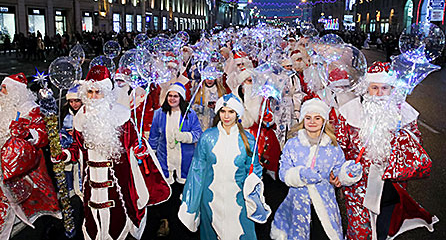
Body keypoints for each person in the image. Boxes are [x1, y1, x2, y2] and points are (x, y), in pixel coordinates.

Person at [58, 66, 170, 240]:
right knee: (93, 221)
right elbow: (77, 147)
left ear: (106, 93)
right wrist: (65, 154)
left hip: (117, 182)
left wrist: (140, 151)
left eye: (98, 92)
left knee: (118, 221)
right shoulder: (80, 116)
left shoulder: (122, 115)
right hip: (91, 182)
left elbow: (136, 145)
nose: (93, 97)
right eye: (90, 92)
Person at [336, 62, 438, 240]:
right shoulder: (350, 112)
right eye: (374, 87)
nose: (379, 93)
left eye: (385, 88)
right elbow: (338, 146)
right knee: (359, 232)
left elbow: (416, 144)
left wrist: (402, 135)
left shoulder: (403, 113)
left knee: (383, 230)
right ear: (366, 88)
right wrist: (337, 171)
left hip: (391, 185)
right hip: (358, 185)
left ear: (392, 89)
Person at [271, 98, 362, 240]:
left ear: (324, 121)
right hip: (298, 202)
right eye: (308, 117)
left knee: (323, 235)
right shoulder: (292, 144)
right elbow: (283, 172)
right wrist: (300, 175)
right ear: (302, 120)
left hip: (325, 202)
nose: (312, 121)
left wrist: (347, 174)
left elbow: (339, 170)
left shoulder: (332, 147)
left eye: (317, 118)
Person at [178, 94, 263, 240]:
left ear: (237, 114)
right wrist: (191, 201)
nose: (226, 116)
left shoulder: (248, 139)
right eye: (223, 111)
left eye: (231, 112)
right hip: (211, 198)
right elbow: (197, 171)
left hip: (238, 199)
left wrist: (251, 188)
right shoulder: (208, 137)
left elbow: (255, 168)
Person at [0, 73, 61, 240]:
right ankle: (0, 236)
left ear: (16, 91)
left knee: (36, 199)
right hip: (5, 165)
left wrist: (27, 132)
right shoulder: (4, 108)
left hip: (28, 168)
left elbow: (43, 135)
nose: (0, 91)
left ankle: (47, 229)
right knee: (6, 200)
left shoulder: (30, 109)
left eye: (4, 88)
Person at [147, 82, 202, 237]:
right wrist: (150, 157)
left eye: (175, 96)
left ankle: (184, 225)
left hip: (184, 164)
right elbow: (153, 138)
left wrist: (185, 137)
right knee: (167, 197)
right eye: (170, 95)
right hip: (165, 163)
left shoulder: (190, 115)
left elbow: (198, 133)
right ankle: (166, 223)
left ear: (181, 98)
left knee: (183, 196)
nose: (172, 98)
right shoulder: (159, 114)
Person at [59, 83, 83, 196]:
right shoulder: (65, 113)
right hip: (69, 152)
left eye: (77, 101)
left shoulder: (85, 113)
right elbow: (62, 130)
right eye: (71, 101)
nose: (74, 104)